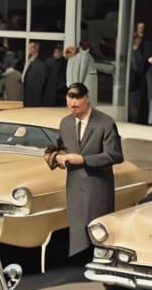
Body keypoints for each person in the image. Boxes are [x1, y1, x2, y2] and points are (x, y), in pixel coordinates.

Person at [46, 82, 124, 258]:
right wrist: (56, 158)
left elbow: (115, 155)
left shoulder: (105, 123)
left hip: (98, 186)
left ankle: (101, 261)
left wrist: (84, 160)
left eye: (77, 99)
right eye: (70, 100)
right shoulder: (65, 123)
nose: (73, 104)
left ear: (87, 99)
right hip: (74, 185)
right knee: (77, 228)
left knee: (98, 229)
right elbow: (56, 148)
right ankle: (79, 264)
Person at [128, 21, 148, 124]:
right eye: (140, 27)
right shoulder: (131, 48)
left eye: (143, 28)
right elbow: (133, 63)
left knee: (138, 97)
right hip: (133, 75)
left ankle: (136, 118)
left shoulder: (144, 44)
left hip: (140, 75)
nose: (142, 30)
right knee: (133, 96)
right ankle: (133, 118)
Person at [20, 40, 50, 107]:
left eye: (32, 47)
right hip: (27, 96)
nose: (29, 49)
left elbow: (41, 83)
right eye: (29, 47)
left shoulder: (42, 64)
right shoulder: (28, 61)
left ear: (37, 48)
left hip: (35, 100)